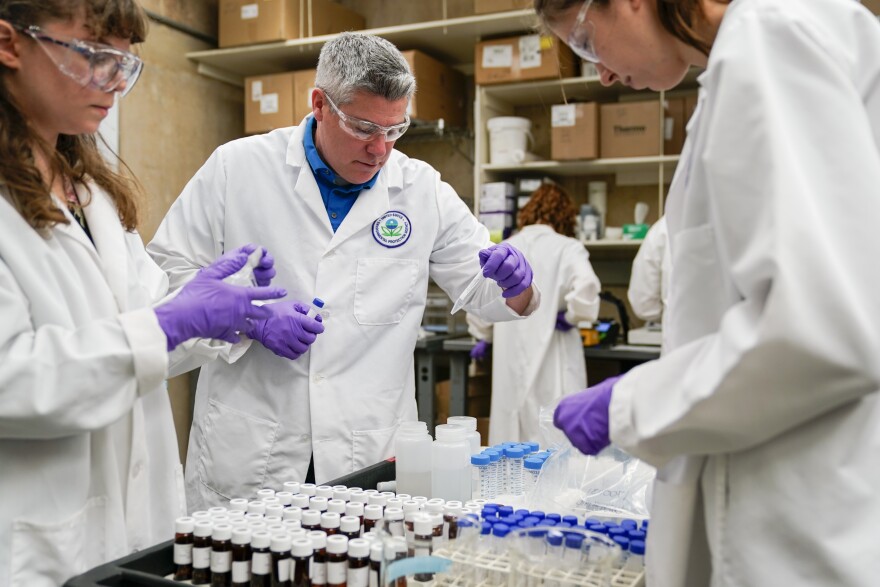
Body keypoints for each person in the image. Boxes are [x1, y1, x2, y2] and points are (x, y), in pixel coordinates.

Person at [538, 0, 880, 585]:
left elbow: (822, 329)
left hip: (797, 516)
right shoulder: (738, 66)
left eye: (589, 42)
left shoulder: (773, 41)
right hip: (773, 487)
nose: (602, 74)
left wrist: (630, 402)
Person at [147, 32, 539, 510]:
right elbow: (164, 283)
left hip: (368, 450)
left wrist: (517, 285)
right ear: (319, 104)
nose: (381, 150)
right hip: (254, 448)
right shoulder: (236, 169)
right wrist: (246, 320)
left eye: (395, 130)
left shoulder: (422, 189)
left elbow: (487, 292)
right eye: (363, 128)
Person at [0, 1, 288, 584]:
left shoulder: (90, 194)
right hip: (35, 542)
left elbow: (145, 331)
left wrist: (214, 313)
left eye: (126, 66)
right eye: (95, 55)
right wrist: (169, 324)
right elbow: (11, 377)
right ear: (9, 44)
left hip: (133, 531)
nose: (114, 83)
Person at [467, 184, 600, 444]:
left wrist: (484, 335)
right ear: (565, 217)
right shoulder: (568, 248)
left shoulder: (505, 247)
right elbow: (587, 291)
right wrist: (572, 317)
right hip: (554, 353)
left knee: (511, 445)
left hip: (509, 354)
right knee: (552, 436)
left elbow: (479, 298)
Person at [626, 215, 670, 348]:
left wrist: (669, 313)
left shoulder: (663, 227)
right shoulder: (732, 216)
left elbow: (644, 303)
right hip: (730, 344)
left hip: (679, 343)